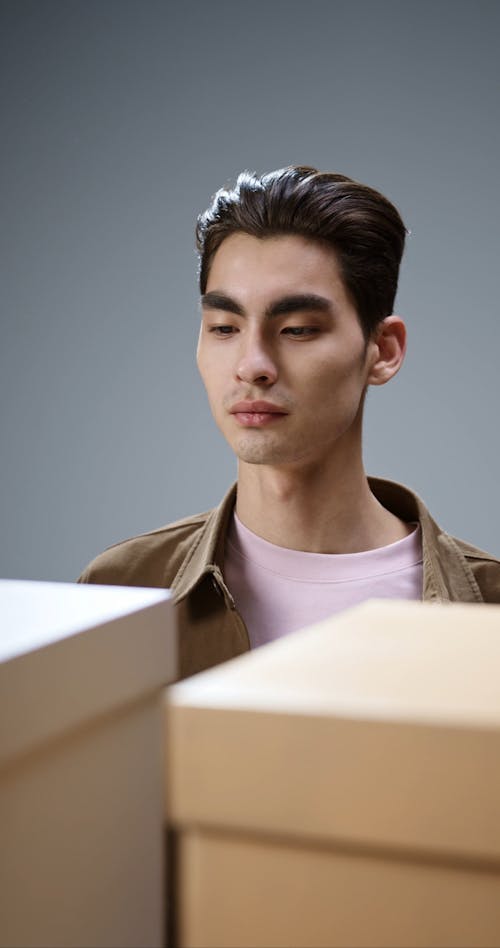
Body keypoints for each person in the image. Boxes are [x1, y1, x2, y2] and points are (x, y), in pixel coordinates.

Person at [78, 166, 500, 679]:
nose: (252, 363)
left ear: (383, 350)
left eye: (298, 329)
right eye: (224, 327)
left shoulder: (488, 612)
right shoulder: (122, 593)